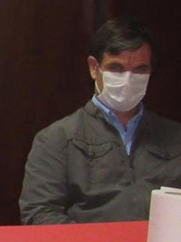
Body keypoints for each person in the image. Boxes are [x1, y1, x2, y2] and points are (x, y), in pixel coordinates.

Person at [19, 17, 181, 225]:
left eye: (140, 69)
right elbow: (39, 213)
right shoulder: (57, 139)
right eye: (116, 68)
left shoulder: (175, 138)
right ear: (94, 68)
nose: (128, 79)